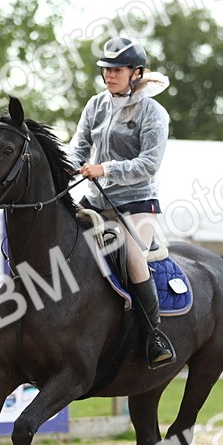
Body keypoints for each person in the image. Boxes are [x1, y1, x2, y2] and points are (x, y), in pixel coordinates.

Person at [69, 35, 175, 368]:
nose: (109, 75)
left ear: (136, 72)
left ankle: (155, 334)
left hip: (138, 202)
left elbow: (149, 164)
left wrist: (106, 168)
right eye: (106, 69)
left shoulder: (153, 112)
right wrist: (63, 168)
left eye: (117, 69)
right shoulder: (95, 105)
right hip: (95, 198)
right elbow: (77, 149)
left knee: (130, 255)